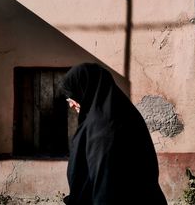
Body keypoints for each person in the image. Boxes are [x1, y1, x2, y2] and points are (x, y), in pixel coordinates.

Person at [61, 63, 167, 205]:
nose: (71, 104)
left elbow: (105, 186)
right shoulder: (125, 113)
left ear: (87, 89)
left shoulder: (102, 127)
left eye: (72, 97)